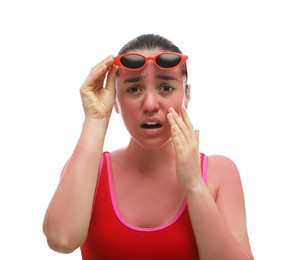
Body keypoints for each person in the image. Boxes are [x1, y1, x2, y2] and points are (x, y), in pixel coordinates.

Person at [43, 34, 254, 259]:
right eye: (134, 89)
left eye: (166, 87)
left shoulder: (218, 173)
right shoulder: (88, 170)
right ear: (115, 99)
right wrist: (95, 120)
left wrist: (194, 184)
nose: (151, 104)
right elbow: (62, 240)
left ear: (187, 96)